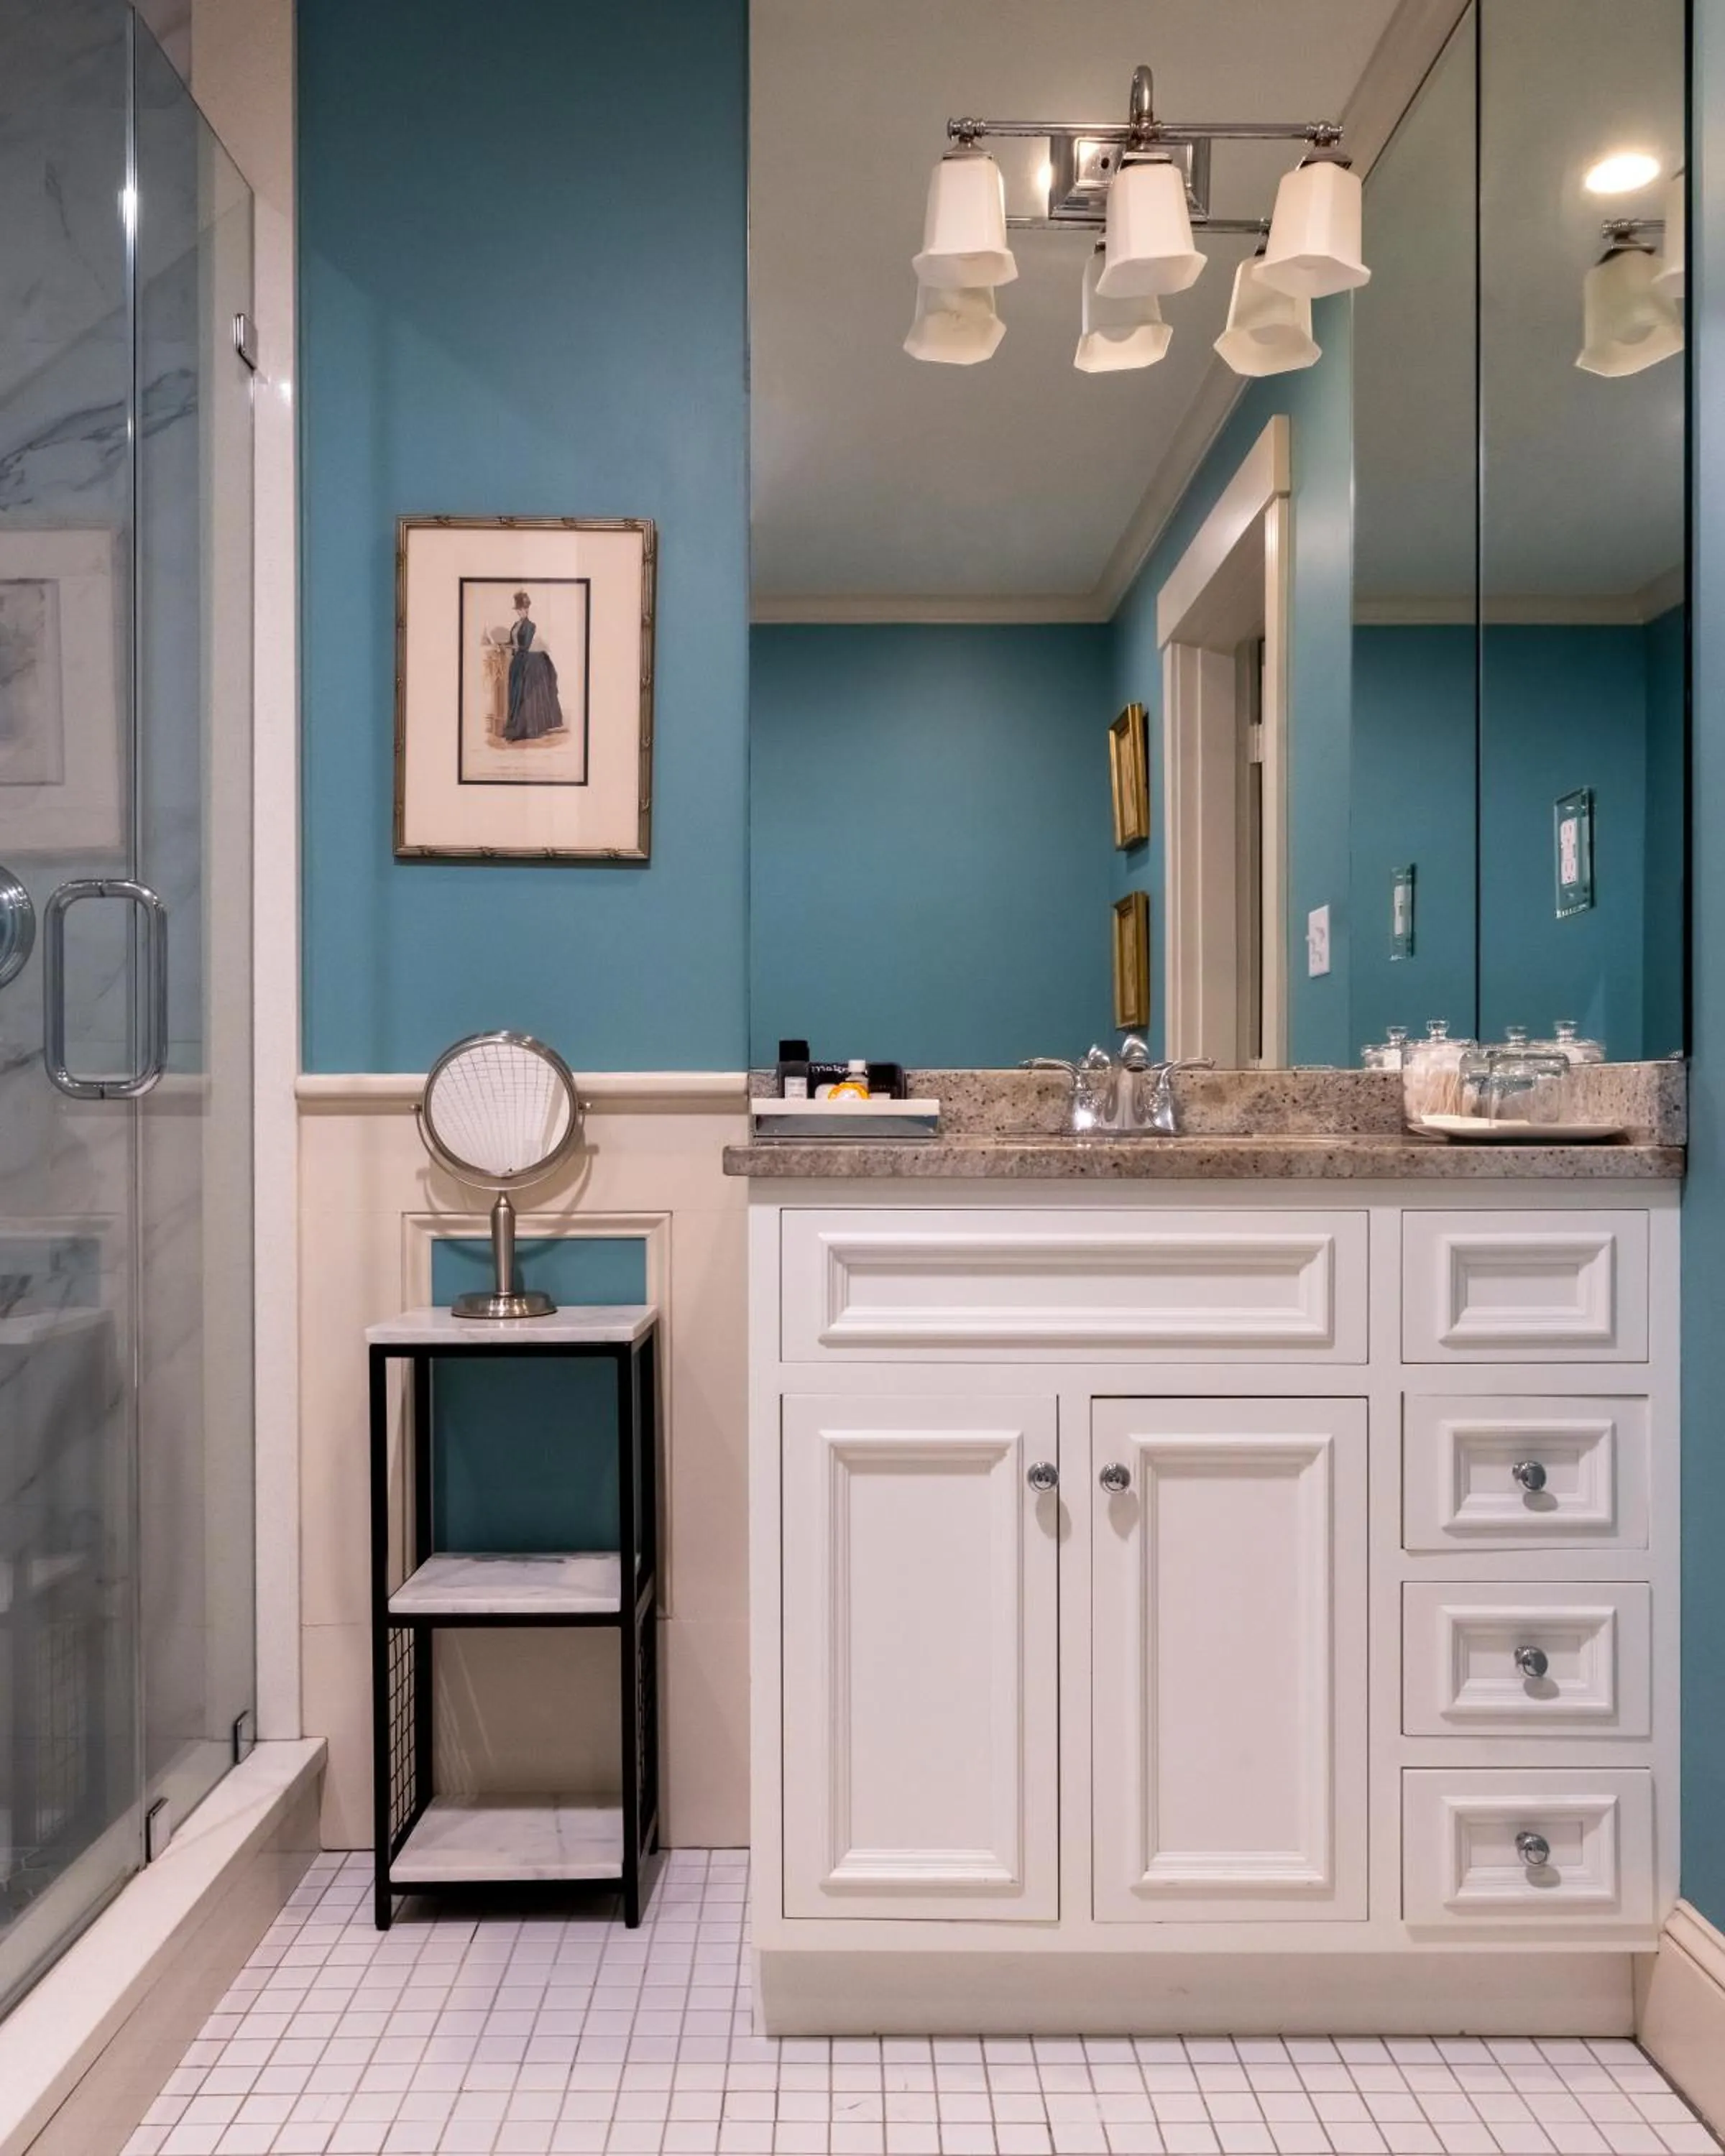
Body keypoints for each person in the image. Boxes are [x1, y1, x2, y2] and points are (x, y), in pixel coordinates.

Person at [502, 589, 564, 742]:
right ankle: (514, 726)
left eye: (523, 609)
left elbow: (525, 646)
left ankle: (522, 729)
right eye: (519, 609)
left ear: (527, 609)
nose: (521, 612)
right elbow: (513, 642)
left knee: (521, 695)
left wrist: (513, 648)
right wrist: (504, 645)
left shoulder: (530, 626)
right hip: (515, 662)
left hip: (524, 663)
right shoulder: (516, 625)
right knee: (514, 694)